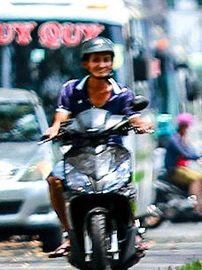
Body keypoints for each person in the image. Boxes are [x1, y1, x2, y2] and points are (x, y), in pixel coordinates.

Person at [43, 39, 151, 258]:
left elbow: (134, 117)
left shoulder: (123, 93)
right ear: (86, 64)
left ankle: (133, 229)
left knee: (125, 187)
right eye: (95, 60)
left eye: (106, 59)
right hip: (78, 153)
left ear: (112, 63)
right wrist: (54, 128)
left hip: (113, 153)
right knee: (54, 180)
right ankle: (68, 233)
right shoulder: (72, 90)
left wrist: (142, 125)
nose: (101, 64)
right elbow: (61, 116)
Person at [157, 114, 202, 213]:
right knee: (196, 179)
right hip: (174, 170)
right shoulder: (174, 139)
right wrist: (198, 157)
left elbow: (190, 151)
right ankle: (196, 206)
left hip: (182, 167)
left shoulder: (181, 137)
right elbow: (185, 153)